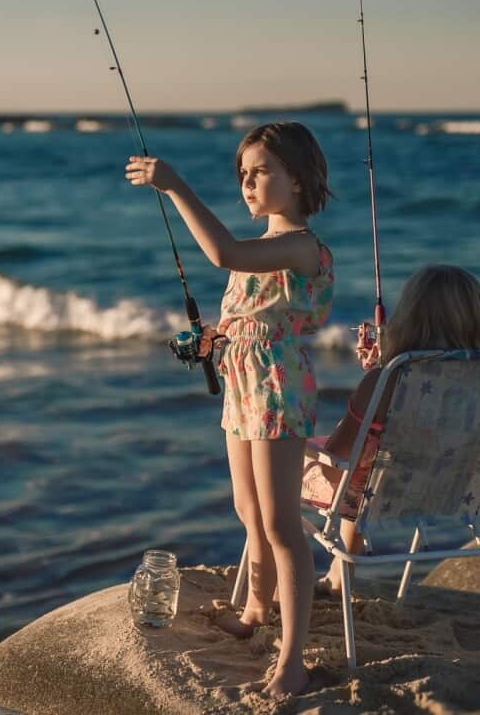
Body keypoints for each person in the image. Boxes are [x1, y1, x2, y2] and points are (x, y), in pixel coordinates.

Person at [125, 122, 334, 698]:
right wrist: (217, 337)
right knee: (247, 510)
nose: (246, 183)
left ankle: (292, 659)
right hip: (245, 384)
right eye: (241, 174)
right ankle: (254, 611)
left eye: (260, 171)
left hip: (276, 389)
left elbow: (223, 253)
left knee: (281, 525)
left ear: (298, 176)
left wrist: (174, 186)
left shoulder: (299, 244)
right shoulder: (264, 250)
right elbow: (254, 315)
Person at [311, 264, 480, 596]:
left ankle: (306, 578)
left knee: (347, 464)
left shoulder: (386, 380)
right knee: (369, 465)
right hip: (452, 490)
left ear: (409, 316)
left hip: (377, 494)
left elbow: (338, 454)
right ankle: (341, 575)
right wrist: (381, 370)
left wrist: (375, 378)